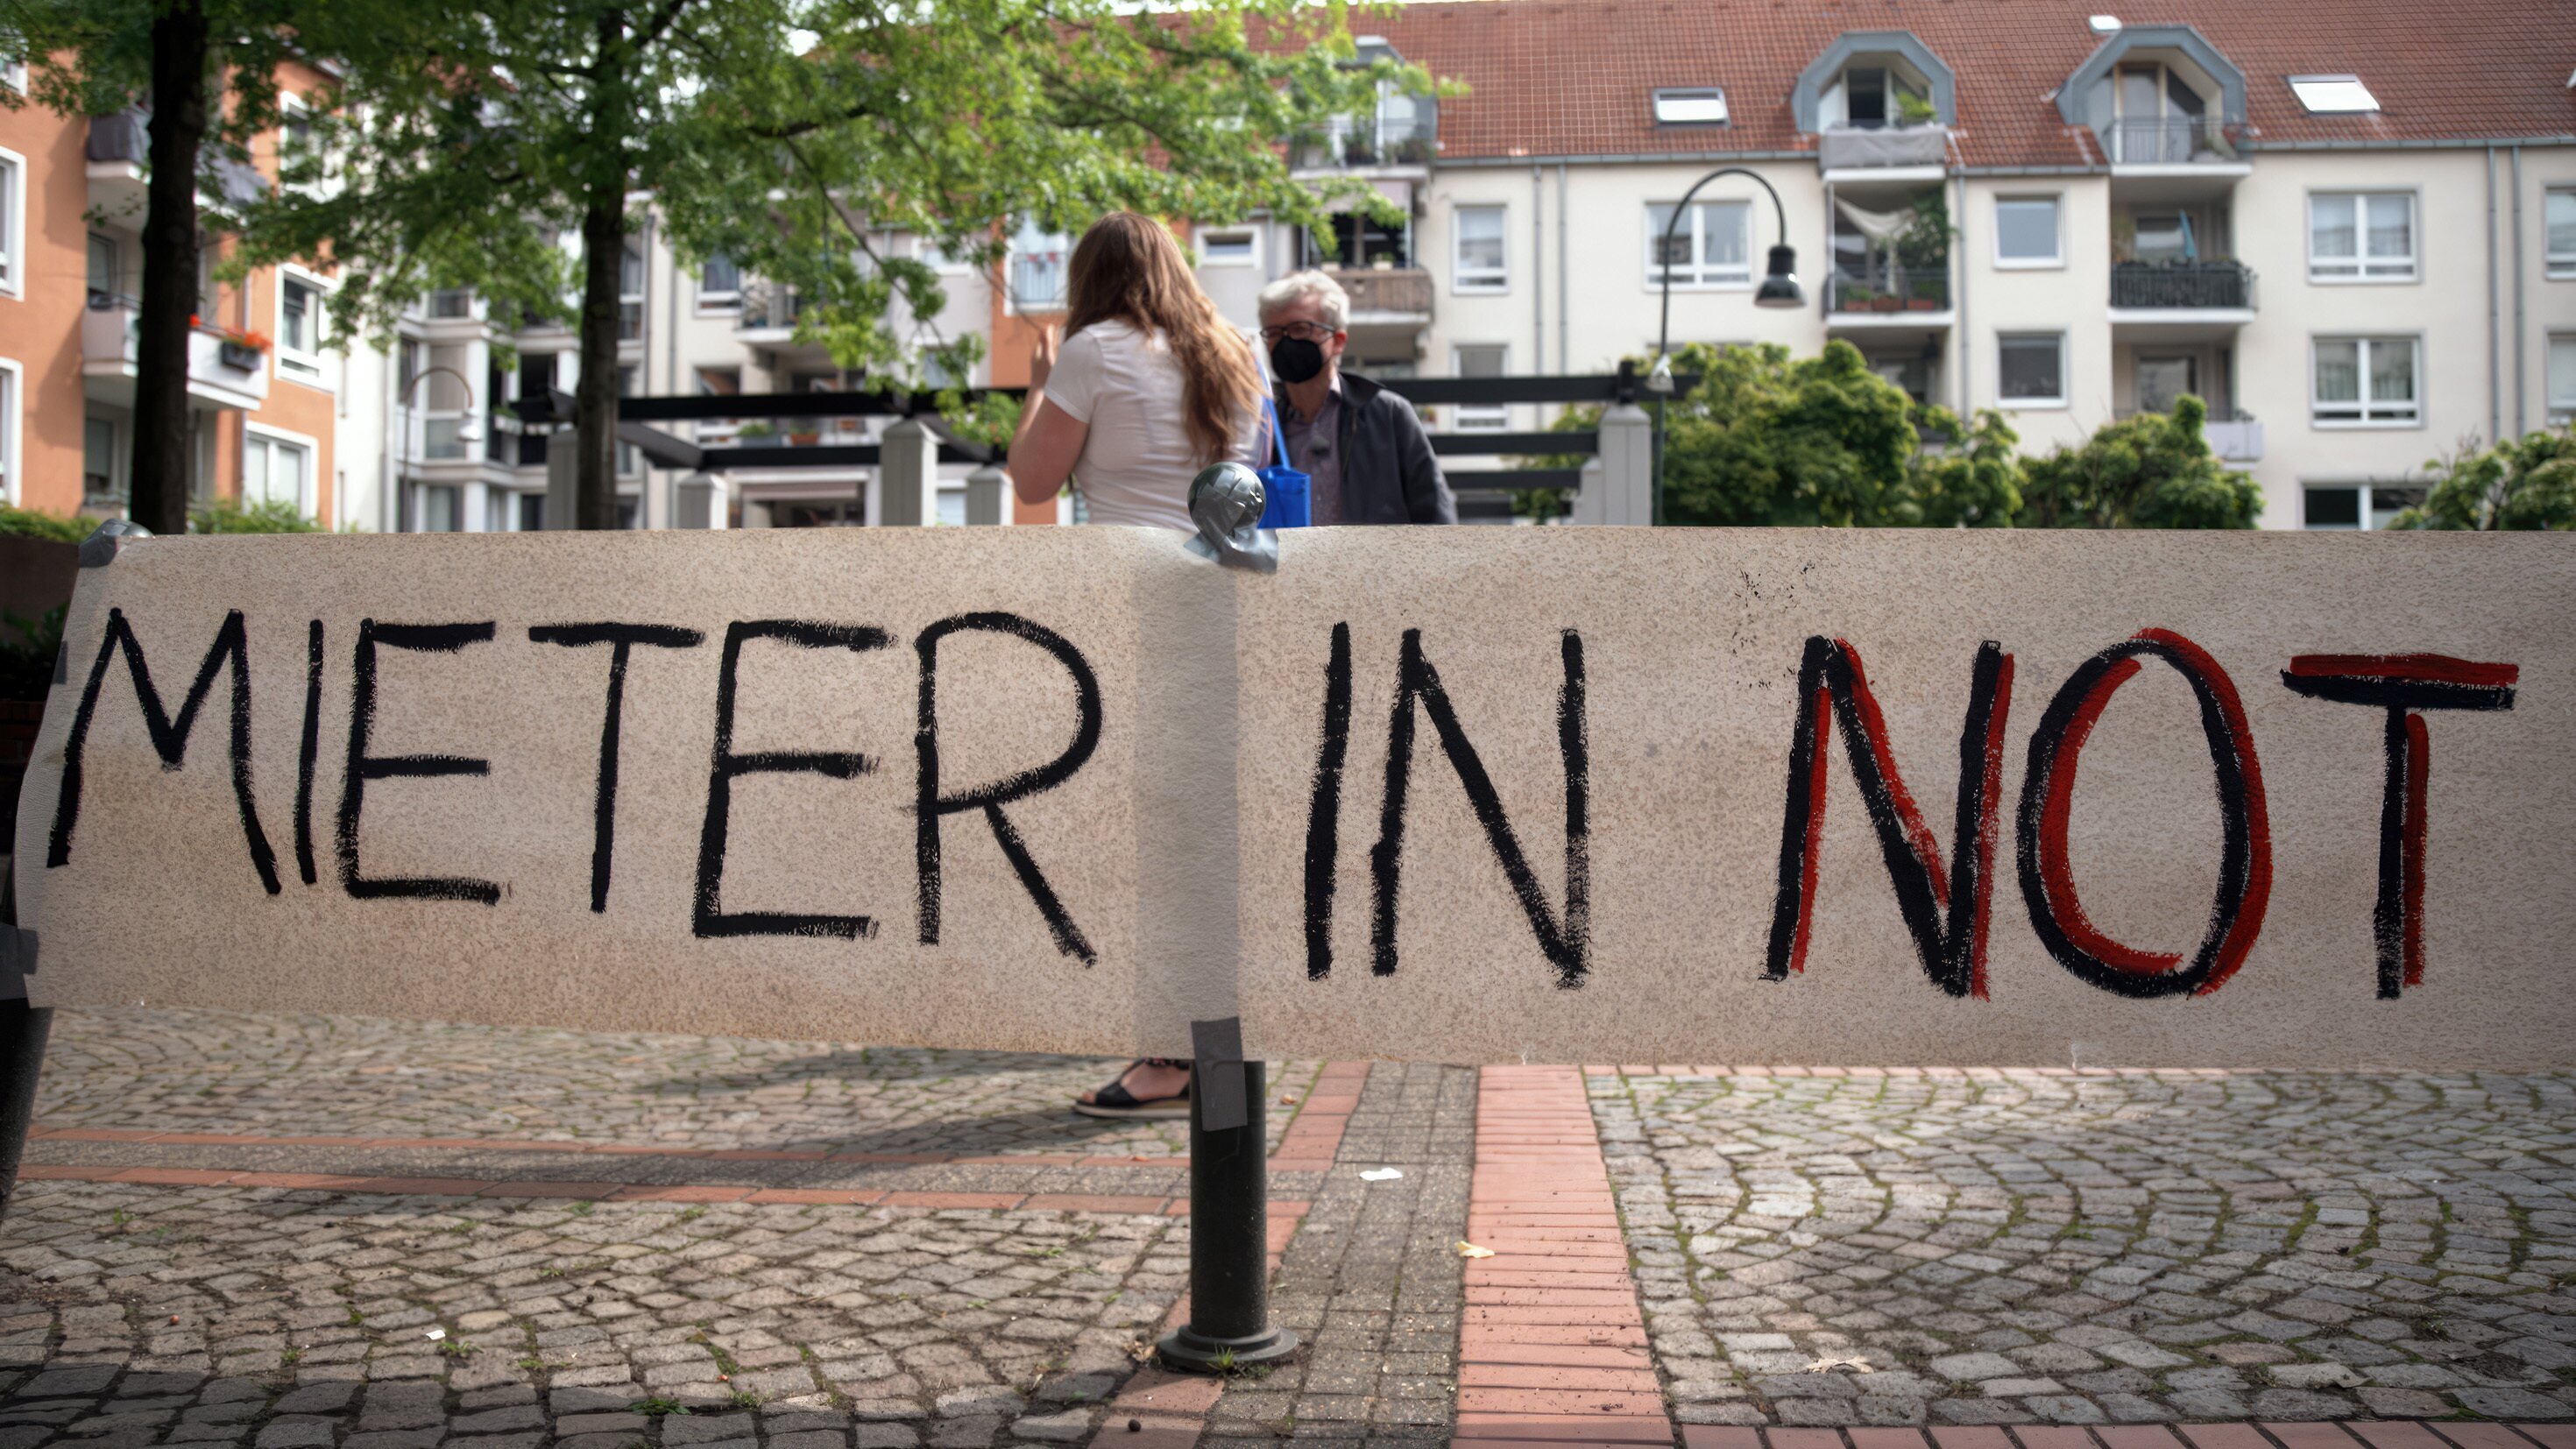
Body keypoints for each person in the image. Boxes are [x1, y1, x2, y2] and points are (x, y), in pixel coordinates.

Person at [1004, 212, 1266, 1120]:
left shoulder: (1095, 352)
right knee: (1209, 830)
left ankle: (1170, 1057)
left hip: (1137, 609)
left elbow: (1034, 482)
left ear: (1093, 278)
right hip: (1227, 601)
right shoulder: (1235, 353)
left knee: (1158, 840)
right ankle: (1220, 1052)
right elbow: (1252, 477)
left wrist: (1040, 386)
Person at [1256, 271, 1456, 525]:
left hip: (1375, 563)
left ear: (1338, 341)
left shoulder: (1387, 414)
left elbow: (1434, 508)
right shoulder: (1262, 424)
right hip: (1287, 564)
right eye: (1273, 333)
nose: (1285, 342)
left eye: (1299, 329)